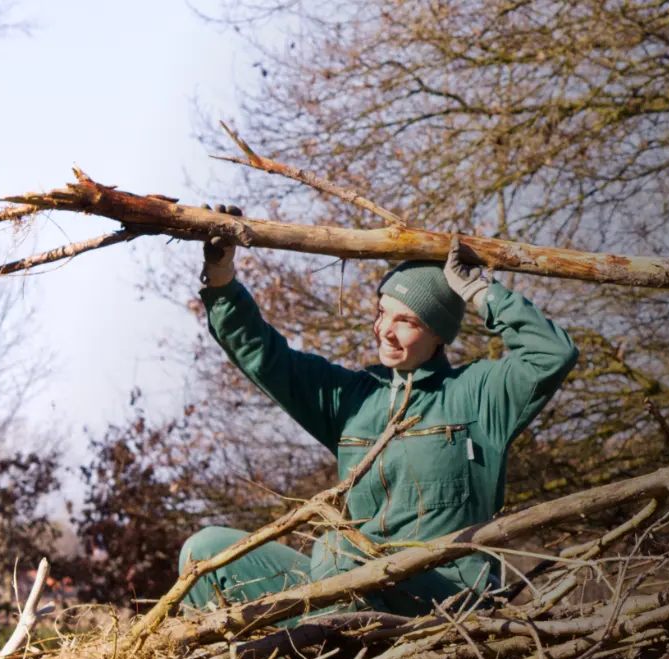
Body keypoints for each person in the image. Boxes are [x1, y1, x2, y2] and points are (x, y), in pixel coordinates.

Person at [179, 205, 578, 618]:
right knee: (206, 553)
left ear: (439, 334)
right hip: (348, 586)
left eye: (405, 321)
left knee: (338, 545)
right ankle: (274, 654)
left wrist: (481, 292)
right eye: (382, 312)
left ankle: (315, 657)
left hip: (446, 598)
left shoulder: (478, 395)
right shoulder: (352, 398)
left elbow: (553, 353)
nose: (384, 329)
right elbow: (263, 355)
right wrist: (221, 274)